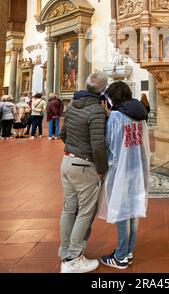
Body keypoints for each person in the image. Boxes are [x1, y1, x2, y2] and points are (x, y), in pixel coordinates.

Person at [58, 71, 108, 274]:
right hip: (84, 165)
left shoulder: (71, 107)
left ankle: (65, 252)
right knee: (85, 212)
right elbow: (97, 145)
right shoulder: (95, 110)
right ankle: (73, 258)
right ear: (102, 89)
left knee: (69, 209)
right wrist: (102, 169)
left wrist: (74, 149)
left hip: (67, 161)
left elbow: (62, 134)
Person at [98, 81, 150, 270]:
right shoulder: (140, 115)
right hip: (138, 168)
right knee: (133, 208)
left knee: (121, 210)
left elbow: (110, 144)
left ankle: (120, 256)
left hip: (120, 168)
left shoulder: (117, 117)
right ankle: (127, 251)